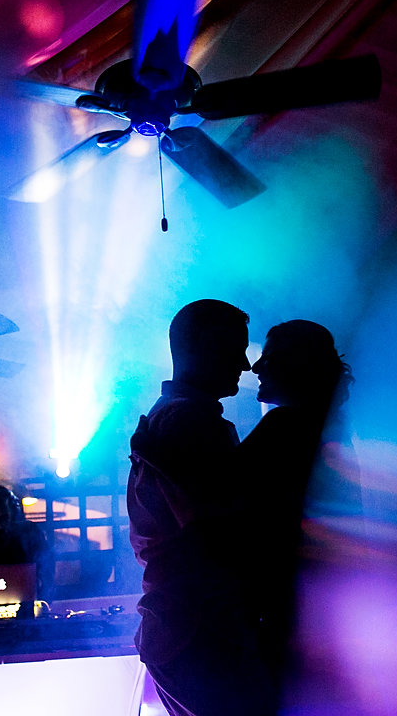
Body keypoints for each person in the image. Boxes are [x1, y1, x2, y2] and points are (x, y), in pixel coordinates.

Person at [127, 299, 277, 716]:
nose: (245, 366)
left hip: (182, 630)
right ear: (202, 346)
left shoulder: (174, 418)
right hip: (201, 631)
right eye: (235, 349)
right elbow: (220, 533)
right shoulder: (191, 423)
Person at [242, 320, 355, 697]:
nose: (256, 368)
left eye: (269, 357)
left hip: (289, 616)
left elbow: (214, 492)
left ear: (297, 365)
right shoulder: (329, 427)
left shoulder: (286, 425)